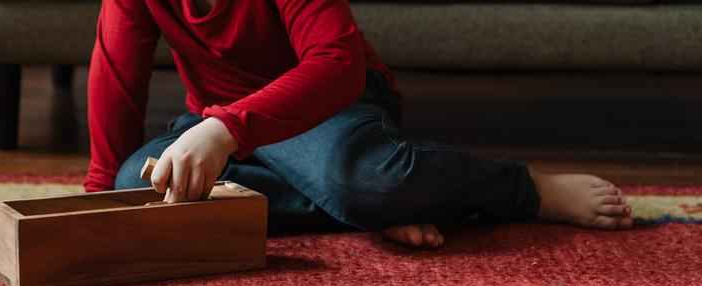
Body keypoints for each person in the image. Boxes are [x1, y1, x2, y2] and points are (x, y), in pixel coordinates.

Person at [85, 0, 633, 248]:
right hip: (220, 126)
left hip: (325, 109)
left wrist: (226, 130)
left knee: (371, 179)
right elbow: (116, 78)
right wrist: (92, 201)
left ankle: (525, 188)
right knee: (135, 184)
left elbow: (337, 64)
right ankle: (365, 210)